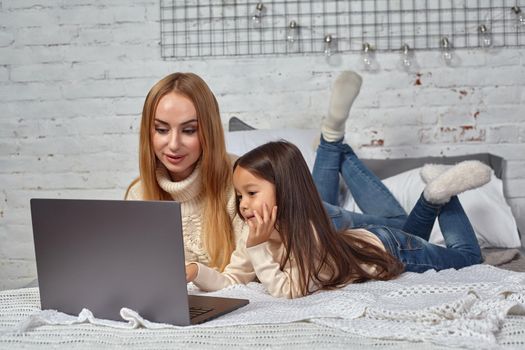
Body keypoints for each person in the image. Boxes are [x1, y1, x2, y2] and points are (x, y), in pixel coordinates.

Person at [185, 140, 488, 299]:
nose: (244, 204)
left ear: (285, 190)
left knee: (469, 258)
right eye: (239, 196)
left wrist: (258, 247)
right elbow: (233, 280)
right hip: (373, 240)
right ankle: (431, 198)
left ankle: (442, 195)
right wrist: (197, 271)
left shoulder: (307, 233)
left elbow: (290, 290)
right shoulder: (252, 233)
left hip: (387, 249)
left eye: (251, 193)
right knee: (415, 234)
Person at [125, 72, 244, 271]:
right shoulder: (138, 194)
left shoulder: (240, 180)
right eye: (162, 130)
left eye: (189, 130)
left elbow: (250, 270)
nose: (173, 145)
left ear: (209, 131)